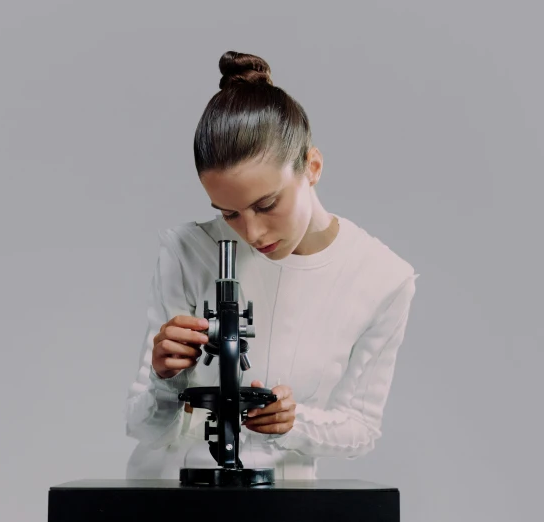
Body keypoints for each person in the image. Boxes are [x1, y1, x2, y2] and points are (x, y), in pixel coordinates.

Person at [124, 51, 419, 480]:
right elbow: (142, 427)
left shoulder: (383, 279)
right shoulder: (188, 250)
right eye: (229, 213)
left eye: (267, 204)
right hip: (171, 495)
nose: (253, 232)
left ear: (312, 167)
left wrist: (293, 423)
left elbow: (363, 427)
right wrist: (164, 378)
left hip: (283, 503)